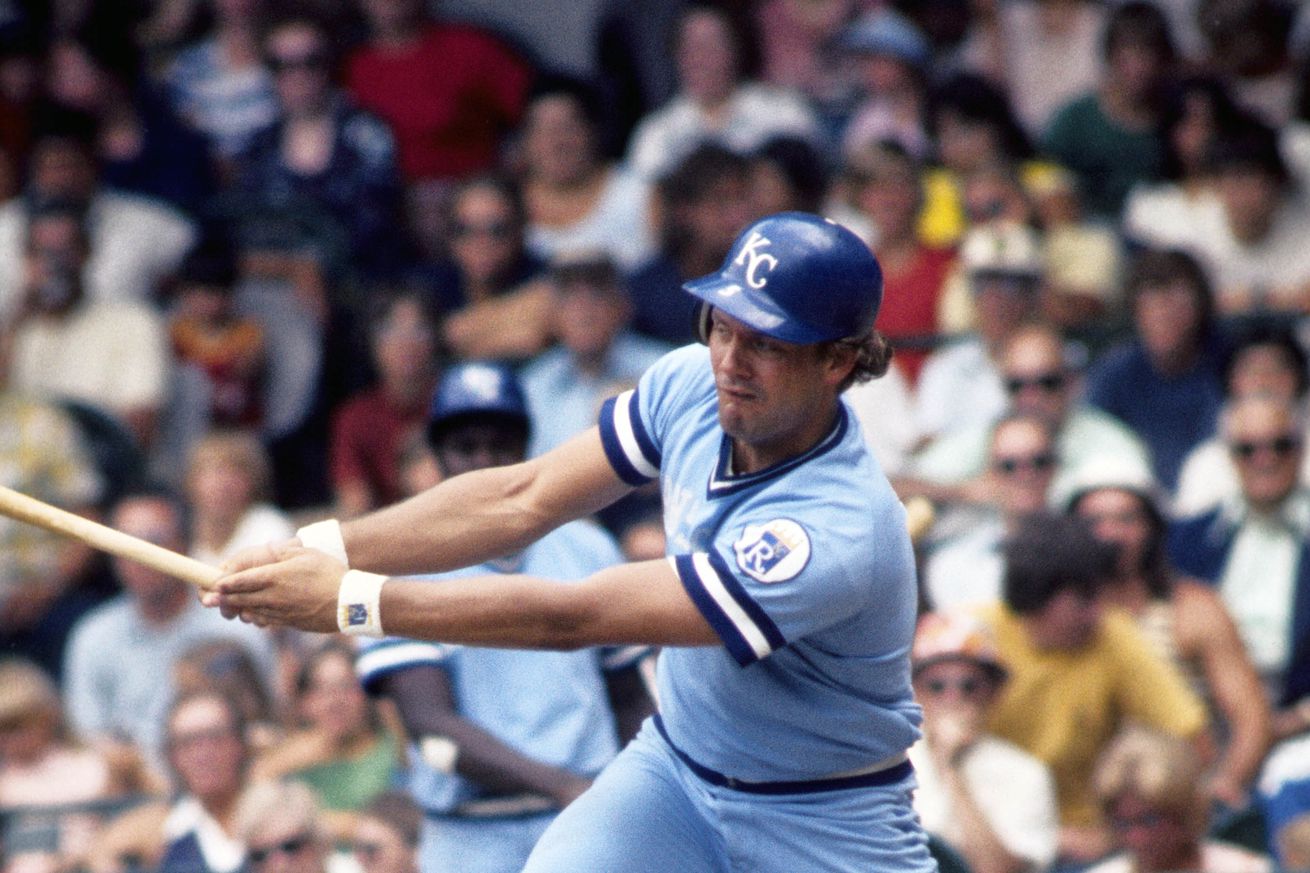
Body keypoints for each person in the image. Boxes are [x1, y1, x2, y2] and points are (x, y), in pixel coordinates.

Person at [203, 211, 937, 871]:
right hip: (677, 774)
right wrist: (324, 546)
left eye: (766, 343)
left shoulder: (835, 526)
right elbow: (520, 497)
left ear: (837, 361)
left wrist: (352, 603)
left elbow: (574, 616)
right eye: (722, 324)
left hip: (827, 816)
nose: (730, 360)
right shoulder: (692, 383)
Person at [354, 360, 655, 873]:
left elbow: (630, 694)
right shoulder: (396, 563)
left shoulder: (586, 546)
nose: (484, 461)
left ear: (526, 450)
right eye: (465, 447)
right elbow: (430, 723)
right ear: (438, 458)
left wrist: (625, 792)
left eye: (501, 445)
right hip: (471, 835)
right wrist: (563, 785)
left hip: (584, 822)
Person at [984, 512, 1209, 866]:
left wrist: (1116, 831)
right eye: (1084, 599)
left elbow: (1192, 739)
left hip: (1084, 847)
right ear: (1038, 596)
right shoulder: (975, 636)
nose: (1097, 612)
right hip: (987, 830)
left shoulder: (1112, 636)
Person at [1066, 462, 1271, 808]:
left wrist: (1223, 785)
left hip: (1181, 797)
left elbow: (1251, 718)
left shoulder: (1194, 608)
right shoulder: (1060, 618)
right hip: (1086, 806)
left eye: (1126, 519)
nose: (1112, 534)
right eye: (1095, 521)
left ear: (1151, 528)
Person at [63, 489, 274, 770]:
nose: (138, 556)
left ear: (184, 546)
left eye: (153, 542)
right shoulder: (93, 636)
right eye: (123, 545)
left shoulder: (234, 620)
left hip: (233, 781)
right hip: (135, 791)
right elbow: (88, 736)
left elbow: (267, 723)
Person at [1168, 394, 1310, 742]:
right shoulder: (1187, 539)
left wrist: (1294, 721)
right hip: (1203, 720)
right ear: (1229, 456)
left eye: (1279, 446)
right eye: (1248, 449)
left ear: (1301, 449)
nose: (1265, 459)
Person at [908, 611, 1059, 873]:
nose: (953, 697)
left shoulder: (1026, 773)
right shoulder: (889, 763)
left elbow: (999, 871)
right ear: (915, 692)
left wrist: (950, 768)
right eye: (936, 686)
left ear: (993, 692)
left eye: (969, 686)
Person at [1084, 247, 1228, 492]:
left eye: (1176, 304)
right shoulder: (1115, 373)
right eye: (1152, 305)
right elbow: (1094, 440)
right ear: (1135, 312)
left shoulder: (1226, 364)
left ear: (1200, 309)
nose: (1164, 315)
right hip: (1135, 495)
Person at [520, 252, 671, 458]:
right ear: (552, 314)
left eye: (597, 294)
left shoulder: (662, 369)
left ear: (623, 305)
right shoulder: (533, 384)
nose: (584, 310)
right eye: (570, 296)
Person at [85, 691, 253, 873]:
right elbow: (101, 851)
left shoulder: (272, 812)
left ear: (239, 743)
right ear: (173, 756)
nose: (203, 755)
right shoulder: (166, 828)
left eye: (214, 737)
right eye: (188, 743)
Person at [1087, 728, 1273, 873]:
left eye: (1149, 820)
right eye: (1123, 823)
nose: (1137, 837)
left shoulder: (1247, 869)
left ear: (1184, 812)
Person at [330, 293, 439, 518]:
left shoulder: (455, 402)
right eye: (391, 330)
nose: (406, 342)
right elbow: (353, 505)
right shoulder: (356, 417)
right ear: (372, 343)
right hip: (387, 535)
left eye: (419, 330)